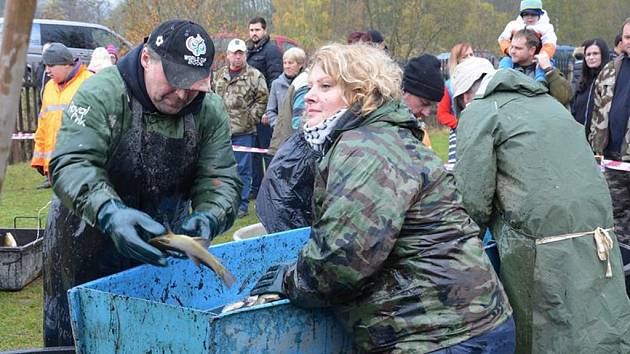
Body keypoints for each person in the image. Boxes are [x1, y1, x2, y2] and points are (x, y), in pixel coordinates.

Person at [250, 43, 515, 354]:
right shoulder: (386, 136)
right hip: (470, 325)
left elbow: (343, 259)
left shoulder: (365, 149)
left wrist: (290, 280)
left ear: (361, 94)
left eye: (325, 86)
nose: (309, 95)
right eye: (310, 86)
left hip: (440, 335)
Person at [43, 20, 242, 346]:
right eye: (175, 80)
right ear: (147, 59)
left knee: (151, 339)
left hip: (161, 247)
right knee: (80, 341)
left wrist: (210, 216)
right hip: (84, 241)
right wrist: (110, 212)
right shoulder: (103, 94)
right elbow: (72, 163)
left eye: (194, 85)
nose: (182, 94)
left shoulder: (209, 111)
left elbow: (219, 179)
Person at [452, 57, 630, 353]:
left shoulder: (481, 112)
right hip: (599, 234)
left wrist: (460, 249)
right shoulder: (549, 104)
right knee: (597, 324)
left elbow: (472, 197)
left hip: (541, 243)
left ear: (464, 97)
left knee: (546, 334)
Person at [213, 38, 268, 218]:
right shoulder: (219, 75)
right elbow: (211, 96)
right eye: (234, 53)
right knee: (221, 169)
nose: (238, 57)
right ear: (228, 55)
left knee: (243, 170)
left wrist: (251, 118)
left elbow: (262, 99)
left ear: (245, 55)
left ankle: (242, 205)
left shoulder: (255, 75)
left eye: (241, 53)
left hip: (244, 132)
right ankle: (224, 203)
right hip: (221, 132)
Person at [589, 18, 630, 246]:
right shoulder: (609, 70)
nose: (629, 41)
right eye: (627, 37)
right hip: (613, 162)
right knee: (613, 221)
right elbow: (596, 113)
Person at [31, 43, 92, 189]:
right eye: (45, 66)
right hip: (56, 167)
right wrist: (40, 160)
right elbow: (44, 125)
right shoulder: (49, 87)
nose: (47, 71)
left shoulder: (89, 82)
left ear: (66, 64)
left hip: (82, 165)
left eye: (51, 65)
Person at [246, 17, 283, 200]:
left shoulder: (271, 51)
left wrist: (269, 110)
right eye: (251, 30)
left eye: (257, 30)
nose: (254, 33)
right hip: (250, 113)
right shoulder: (249, 50)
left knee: (268, 152)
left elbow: (274, 82)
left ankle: (272, 189)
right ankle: (256, 188)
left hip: (265, 114)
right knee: (253, 154)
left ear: (264, 30)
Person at [502, 29, 572, 105]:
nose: (512, 51)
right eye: (511, 47)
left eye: (518, 48)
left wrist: (549, 71)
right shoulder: (505, 68)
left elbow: (564, 98)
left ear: (532, 50)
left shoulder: (548, 72)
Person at [498, 0, 557, 80]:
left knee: (542, 65)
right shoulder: (514, 25)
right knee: (505, 60)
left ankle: (540, 82)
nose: (529, 17)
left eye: (533, 14)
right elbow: (503, 39)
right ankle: (502, 77)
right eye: (526, 14)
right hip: (516, 57)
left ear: (539, 15)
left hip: (537, 58)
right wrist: (510, 50)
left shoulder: (545, 27)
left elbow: (550, 44)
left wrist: (541, 56)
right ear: (522, 16)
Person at [436, 42, 474, 164]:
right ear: (457, 61)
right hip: (459, 133)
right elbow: (442, 114)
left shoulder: (484, 80)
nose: (470, 59)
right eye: (465, 56)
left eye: (471, 54)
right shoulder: (449, 86)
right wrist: (459, 124)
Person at [401, 54, 443, 148]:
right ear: (403, 91)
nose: (427, 113)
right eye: (424, 103)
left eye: (432, 106)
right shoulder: (377, 125)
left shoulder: (421, 134)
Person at [570, 39, 609, 138]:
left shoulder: (610, 81)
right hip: (579, 138)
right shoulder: (582, 82)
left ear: (603, 55)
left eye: (595, 53)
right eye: (588, 54)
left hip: (600, 140)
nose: (591, 57)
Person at [265, 47, 306, 128]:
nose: (287, 66)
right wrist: (278, 125)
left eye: (290, 63)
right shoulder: (276, 84)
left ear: (300, 64)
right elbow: (270, 110)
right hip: (282, 131)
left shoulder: (306, 83)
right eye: (285, 63)